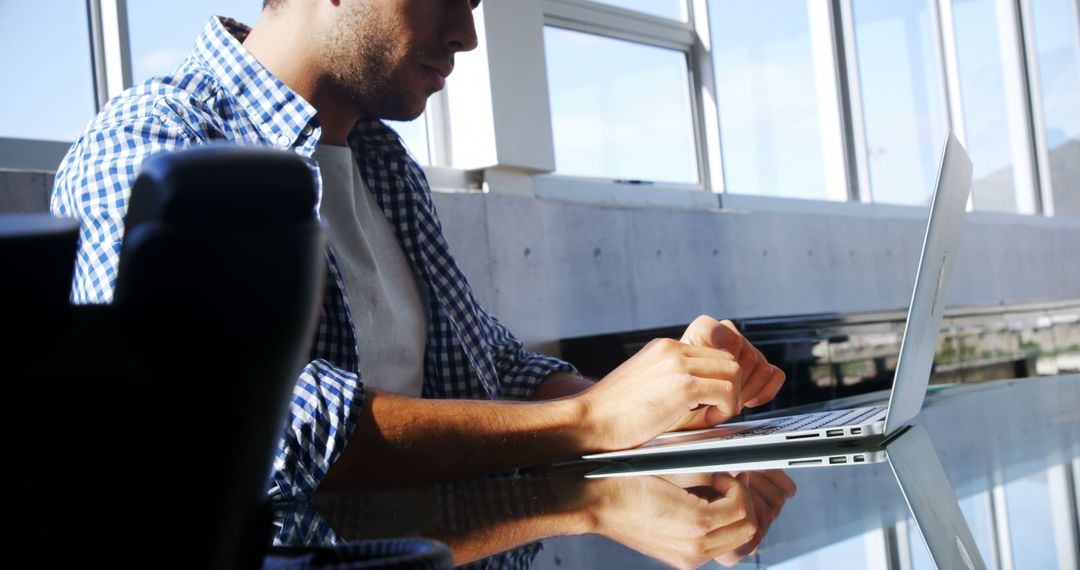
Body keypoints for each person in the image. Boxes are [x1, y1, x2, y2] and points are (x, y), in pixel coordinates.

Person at [51, 0, 786, 499]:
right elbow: (230, 426)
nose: (467, 34)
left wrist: (656, 394)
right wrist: (588, 424)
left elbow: (488, 362)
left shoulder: (381, 160)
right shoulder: (155, 144)